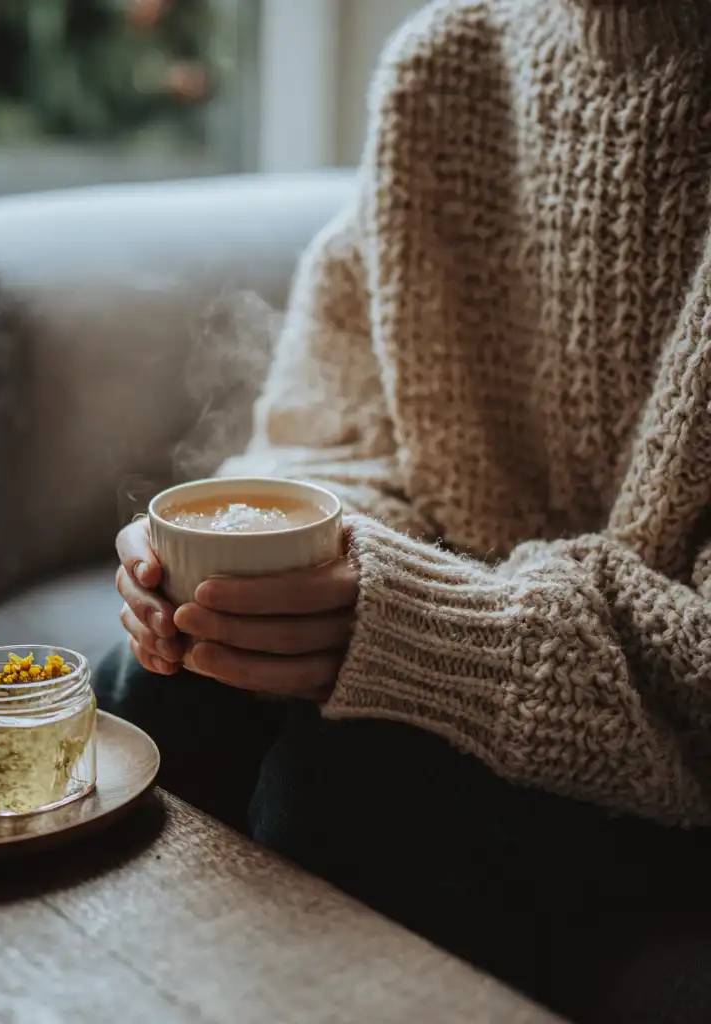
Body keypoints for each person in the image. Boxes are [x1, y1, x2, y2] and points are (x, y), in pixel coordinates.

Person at [96, 1, 711, 1020]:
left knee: (347, 785)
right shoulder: (448, 66)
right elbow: (331, 430)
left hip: (664, 771)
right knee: (156, 682)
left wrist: (429, 630)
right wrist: (270, 564)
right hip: (492, 664)